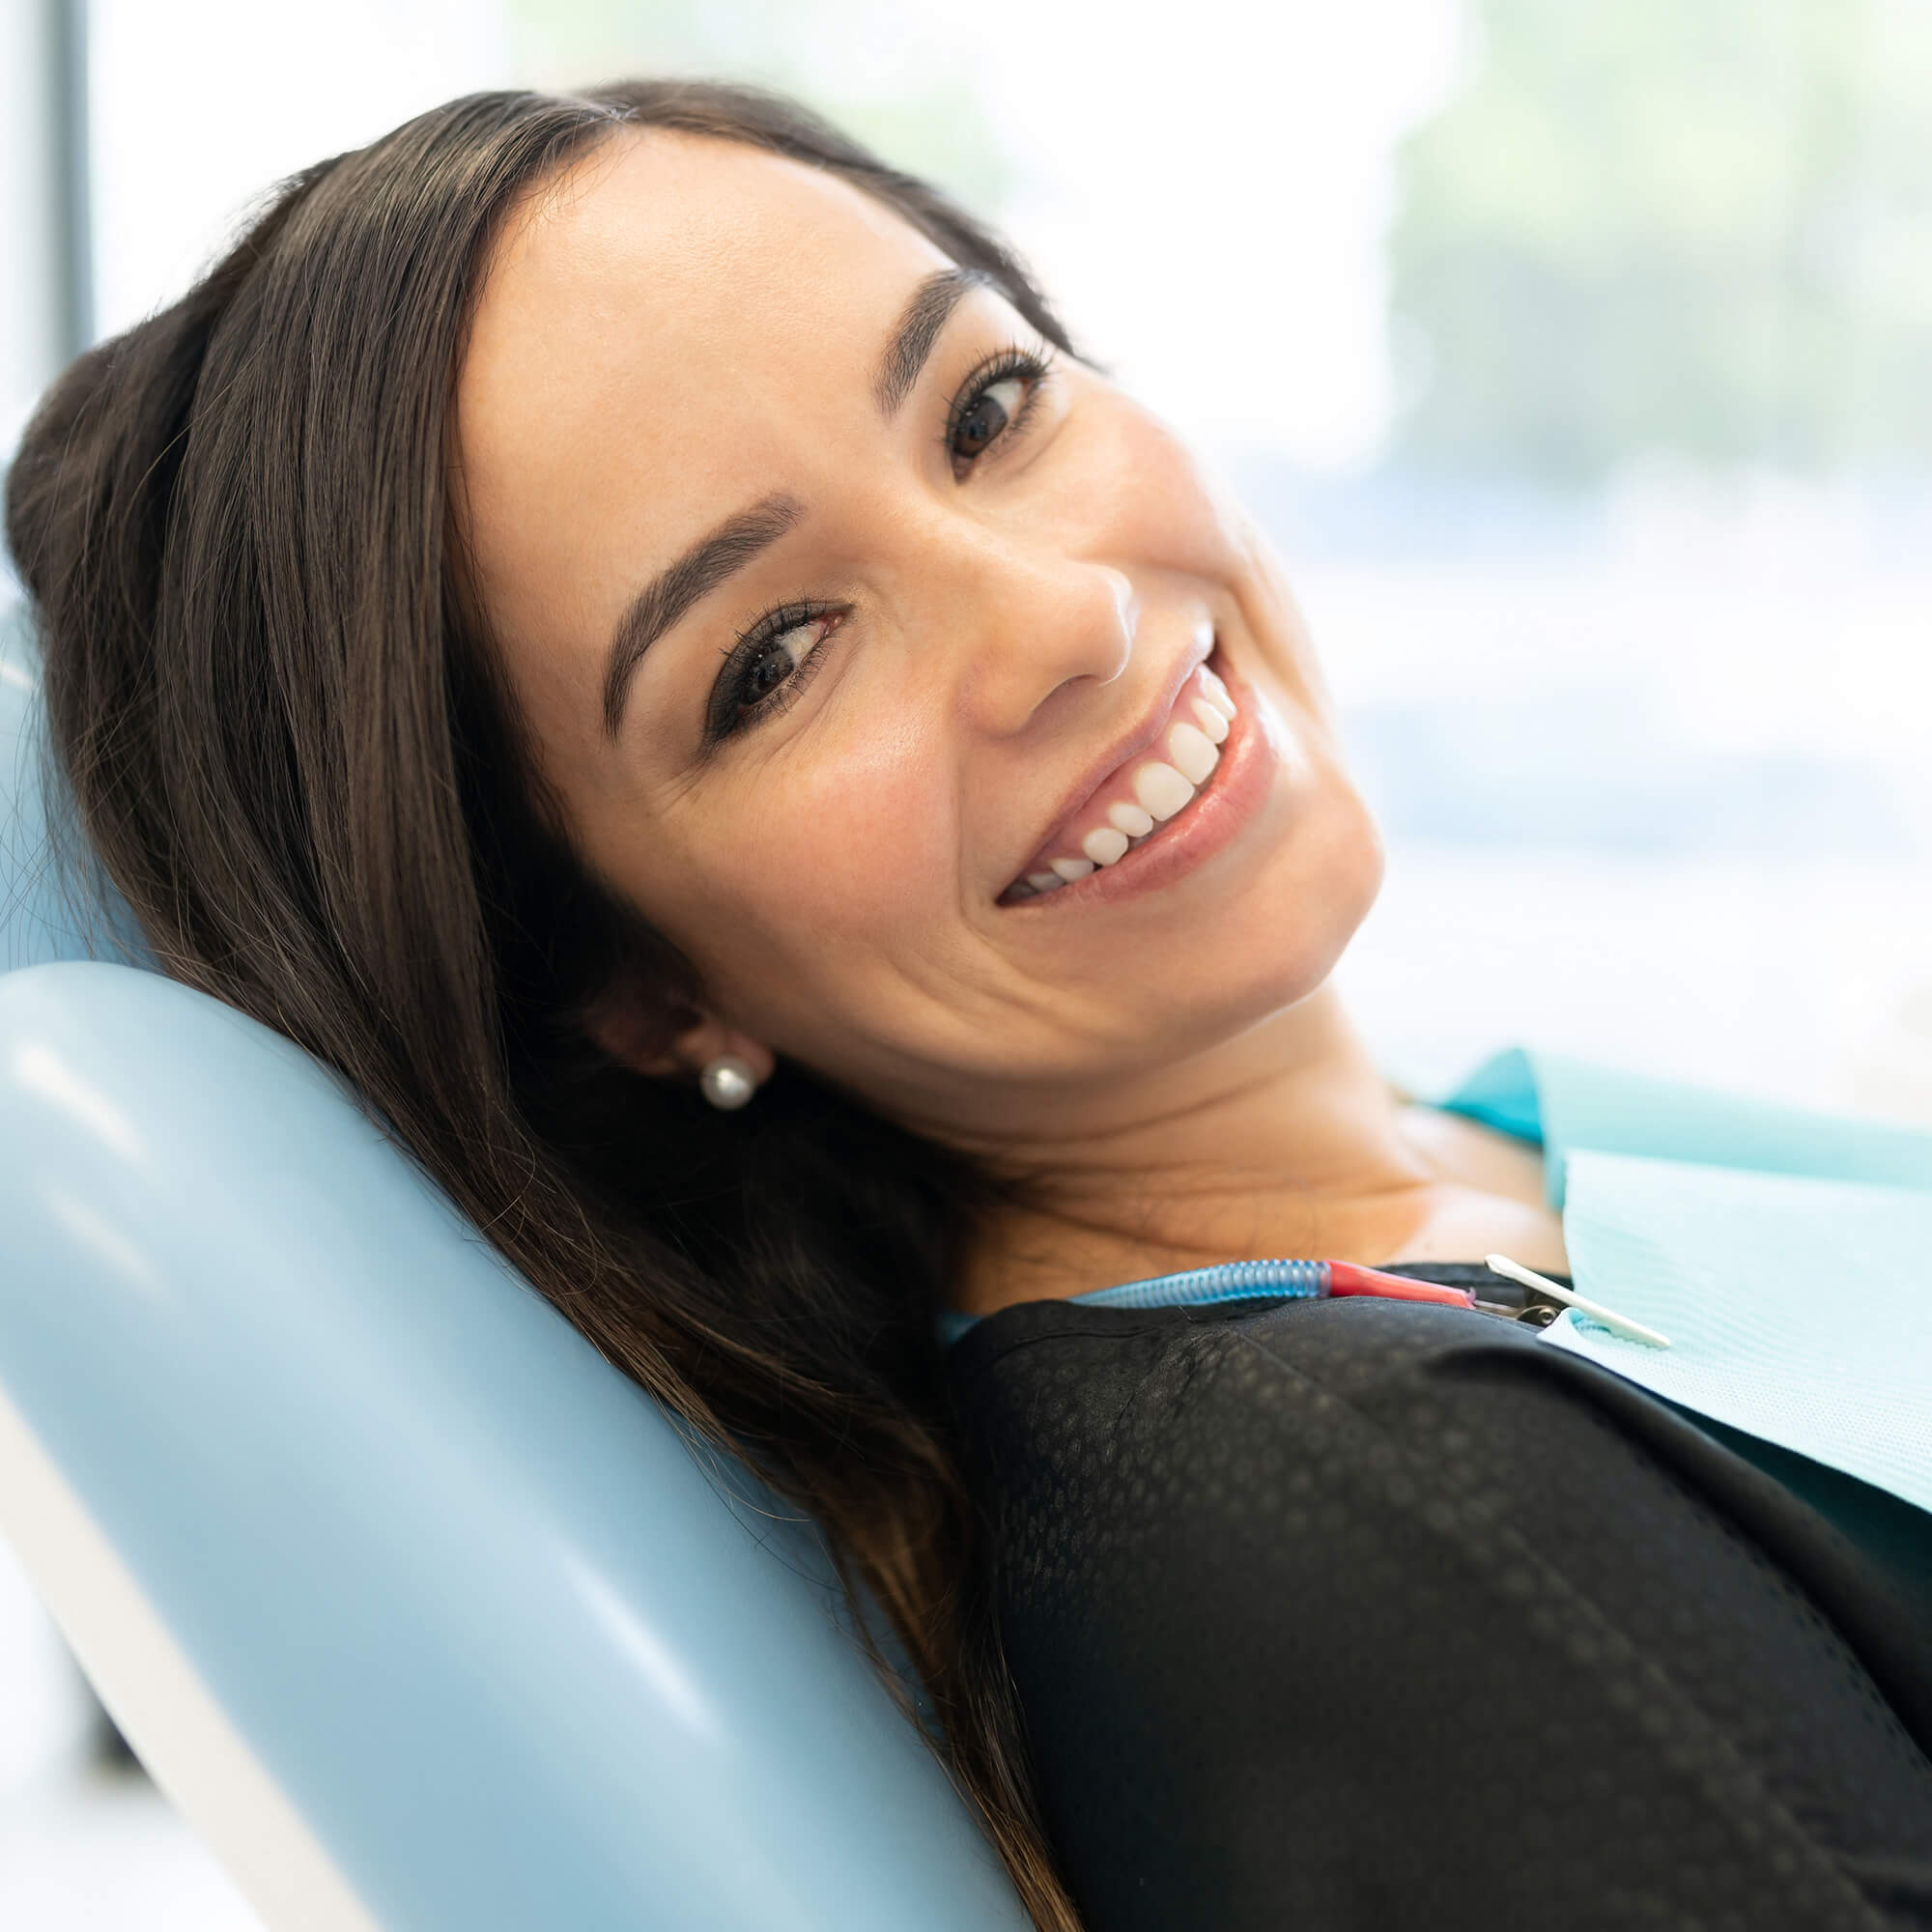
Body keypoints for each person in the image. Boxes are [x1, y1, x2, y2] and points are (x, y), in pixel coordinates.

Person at [6, 82, 1929, 1931]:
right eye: (772, 658)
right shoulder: (1369, 1520)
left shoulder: (1485, 1152)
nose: (1063, 619)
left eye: (986, 407)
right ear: (640, 989)